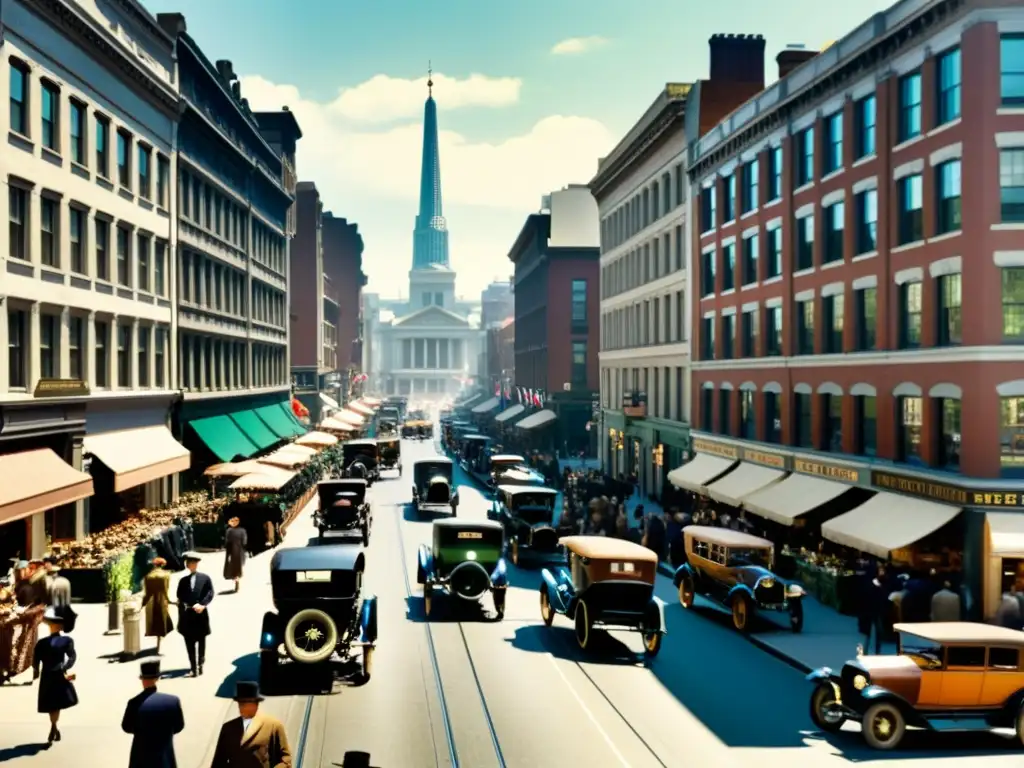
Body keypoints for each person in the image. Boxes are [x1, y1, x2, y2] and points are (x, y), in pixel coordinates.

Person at [211, 681, 292, 767]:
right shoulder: (228, 728)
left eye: (245, 703)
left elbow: (286, 760)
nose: (241, 706)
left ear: (256, 704)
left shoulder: (273, 726)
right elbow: (218, 762)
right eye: (240, 703)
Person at [121, 659, 185, 768]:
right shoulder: (173, 701)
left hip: (141, 757)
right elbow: (179, 726)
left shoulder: (134, 703)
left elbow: (126, 727)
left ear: (142, 679)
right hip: (164, 756)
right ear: (158, 678)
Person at [33, 608, 78, 744]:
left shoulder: (41, 643)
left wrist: (36, 672)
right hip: (58, 673)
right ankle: (54, 726)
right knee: (56, 704)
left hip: (47, 674)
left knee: (51, 704)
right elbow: (72, 656)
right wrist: (65, 668)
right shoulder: (66, 641)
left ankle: (53, 726)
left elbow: (35, 661)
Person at [175, 552, 213, 676]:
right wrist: (186, 605)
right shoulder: (183, 581)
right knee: (189, 642)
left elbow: (210, 593)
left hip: (200, 614)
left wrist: (203, 604)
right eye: (190, 563)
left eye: (194, 563)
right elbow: (179, 595)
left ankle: (200, 662)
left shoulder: (205, 578)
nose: (192, 565)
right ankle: (193, 667)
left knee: (201, 640)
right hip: (188, 615)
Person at [143, 558, 174, 654]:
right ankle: (158, 644)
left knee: (155, 623)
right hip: (162, 601)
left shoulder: (148, 576)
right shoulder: (166, 575)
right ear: (163, 565)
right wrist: (169, 601)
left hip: (151, 602)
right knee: (162, 623)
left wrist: (142, 604)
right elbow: (165, 590)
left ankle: (158, 643)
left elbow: (147, 593)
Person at [860, 565, 890, 654]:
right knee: (867, 633)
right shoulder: (871, 584)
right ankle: (865, 652)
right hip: (870, 611)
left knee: (879, 632)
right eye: (880, 570)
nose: (882, 572)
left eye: (883, 570)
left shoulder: (885, 583)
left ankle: (877, 652)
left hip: (879, 611)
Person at [223, 517, 248, 593]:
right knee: (239, 566)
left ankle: (236, 579)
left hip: (231, 551)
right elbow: (244, 542)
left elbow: (226, 542)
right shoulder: (242, 531)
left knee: (233, 567)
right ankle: (237, 578)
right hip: (240, 550)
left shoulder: (229, 531)